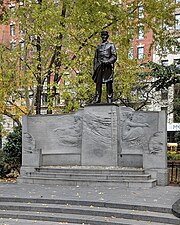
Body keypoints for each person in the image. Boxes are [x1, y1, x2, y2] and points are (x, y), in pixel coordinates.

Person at [92, 31, 117, 103]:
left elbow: (114, 56)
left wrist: (108, 61)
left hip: (107, 66)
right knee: (98, 83)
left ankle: (109, 98)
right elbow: (95, 58)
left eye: (105, 35)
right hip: (99, 67)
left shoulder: (111, 45)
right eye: (102, 35)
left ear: (107, 36)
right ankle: (97, 98)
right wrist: (95, 68)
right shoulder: (98, 47)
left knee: (108, 82)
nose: (104, 37)